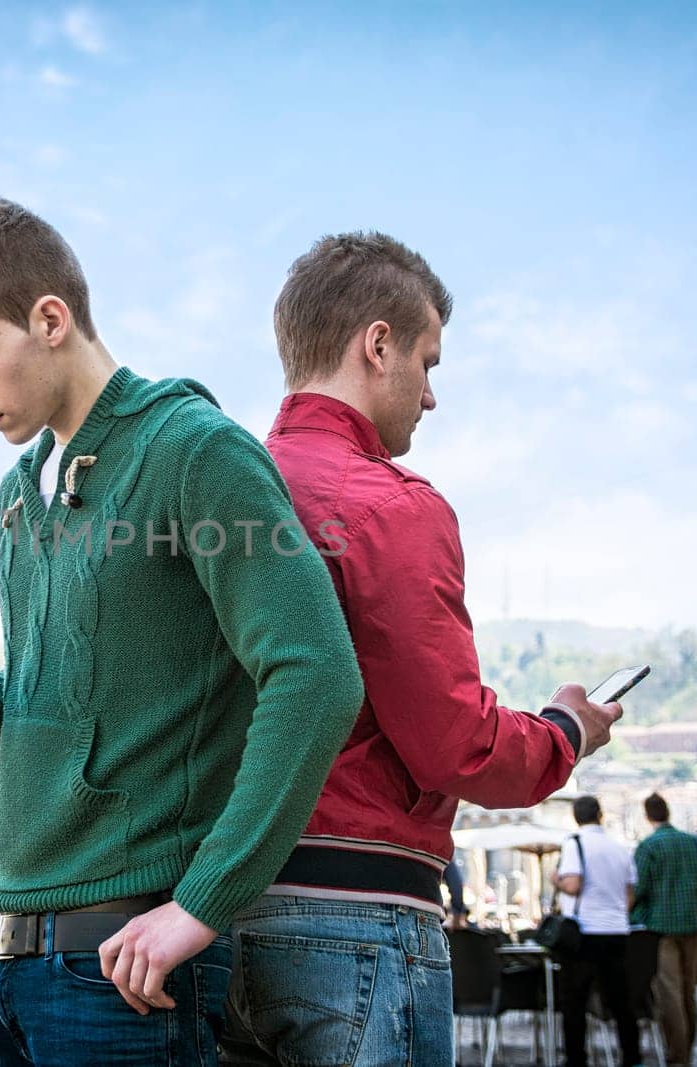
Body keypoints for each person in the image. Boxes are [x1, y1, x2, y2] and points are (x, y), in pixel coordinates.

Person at [0, 197, 365, 1065]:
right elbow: (67, 695)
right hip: (2, 956)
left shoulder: (196, 450)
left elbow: (317, 675)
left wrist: (203, 903)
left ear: (51, 319)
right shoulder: (20, 492)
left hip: (123, 967)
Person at [221, 232, 624, 1067]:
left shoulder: (211, 493)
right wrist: (565, 731)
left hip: (207, 911)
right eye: (429, 363)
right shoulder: (390, 505)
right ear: (378, 344)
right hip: (356, 914)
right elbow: (454, 742)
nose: (431, 395)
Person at [630, 793, 697, 1067]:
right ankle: (686, 1051)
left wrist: (633, 915)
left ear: (647, 816)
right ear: (668, 812)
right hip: (693, 924)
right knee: (688, 990)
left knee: (669, 993)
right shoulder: (693, 843)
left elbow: (639, 889)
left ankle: (677, 1056)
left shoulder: (648, 847)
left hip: (661, 928)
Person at [552, 796, 639, 1067]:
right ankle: (632, 1057)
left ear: (575, 817)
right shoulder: (620, 848)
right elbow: (629, 895)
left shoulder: (574, 843)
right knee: (620, 1001)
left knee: (575, 1002)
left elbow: (573, 885)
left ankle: (577, 1059)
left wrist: (555, 879)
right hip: (616, 931)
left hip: (583, 932)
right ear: (600, 815)